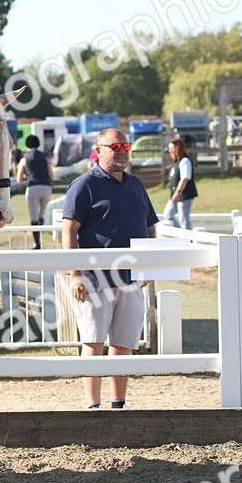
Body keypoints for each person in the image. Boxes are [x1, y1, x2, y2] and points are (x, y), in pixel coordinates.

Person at [62, 129, 158, 410]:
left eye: (125, 145)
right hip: (95, 280)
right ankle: (93, 406)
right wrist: (75, 274)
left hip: (131, 279)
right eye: (115, 146)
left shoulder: (136, 185)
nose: (122, 150)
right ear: (99, 150)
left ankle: (119, 404)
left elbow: (150, 225)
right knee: (94, 342)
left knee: (123, 342)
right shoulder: (84, 185)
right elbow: (70, 231)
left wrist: (149, 266)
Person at [15, 134, 54, 249]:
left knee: (33, 217)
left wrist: (28, 177)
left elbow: (19, 179)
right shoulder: (45, 157)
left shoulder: (24, 159)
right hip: (46, 188)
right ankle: (40, 224)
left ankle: (37, 244)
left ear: (27, 145)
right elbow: (51, 175)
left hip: (33, 187)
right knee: (41, 214)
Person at [161, 137, 198, 230]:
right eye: (169, 149)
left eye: (173, 148)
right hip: (175, 195)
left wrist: (177, 193)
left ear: (179, 148)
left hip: (184, 195)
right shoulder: (177, 163)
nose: (171, 151)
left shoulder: (185, 161)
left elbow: (184, 179)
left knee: (183, 218)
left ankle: (189, 239)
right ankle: (180, 234)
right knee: (168, 214)